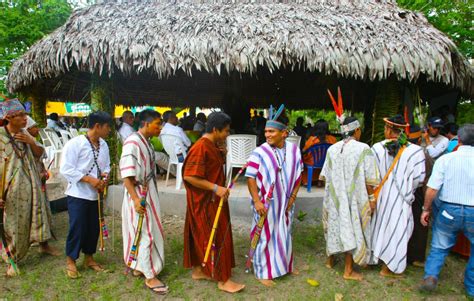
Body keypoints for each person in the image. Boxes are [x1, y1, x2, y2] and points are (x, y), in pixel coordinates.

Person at [182, 112, 245, 293]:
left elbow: (211, 167)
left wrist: (222, 154)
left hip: (209, 199)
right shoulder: (200, 147)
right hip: (206, 201)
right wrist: (216, 188)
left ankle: (199, 270)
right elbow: (190, 176)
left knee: (201, 235)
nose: (227, 134)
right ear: (215, 129)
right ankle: (223, 280)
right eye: (225, 131)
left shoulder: (211, 145)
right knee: (215, 236)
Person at [246, 106, 302, 287]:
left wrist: (293, 197)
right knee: (264, 235)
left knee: (285, 233)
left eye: (271, 131)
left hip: (286, 202)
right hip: (265, 203)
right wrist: (256, 201)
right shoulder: (259, 152)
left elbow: (299, 175)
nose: (267, 135)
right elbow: (251, 178)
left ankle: (286, 265)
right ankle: (262, 271)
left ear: (284, 133)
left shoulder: (294, 150)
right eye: (266, 132)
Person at [0, 99, 58, 277]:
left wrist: (31, 141)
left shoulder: (25, 134)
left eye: (25, 115)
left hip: (32, 184)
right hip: (11, 189)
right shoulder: (1, 137)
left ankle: (43, 245)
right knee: (13, 224)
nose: (26, 119)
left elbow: (40, 153)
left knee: (40, 215)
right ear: (9, 118)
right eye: (21, 115)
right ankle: (12, 259)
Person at [320, 116, 379, 281]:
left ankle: (330, 261)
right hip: (353, 198)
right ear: (357, 130)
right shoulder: (364, 149)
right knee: (351, 226)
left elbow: (324, 176)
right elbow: (370, 179)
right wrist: (372, 199)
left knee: (334, 224)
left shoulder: (332, 149)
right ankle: (348, 270)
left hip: (334, 197)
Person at [419, 124, 474, 296]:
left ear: (458, 139)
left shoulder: (446, 159)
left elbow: (432, 189)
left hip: (448, 211)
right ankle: (472, 287)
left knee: (439, 246)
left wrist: (425, 209)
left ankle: (430, 276)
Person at [370, 115, 426, 277]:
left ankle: (376, 258)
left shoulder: (377, 148)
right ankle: (389, 267)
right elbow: (419, 179)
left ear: (388, 129)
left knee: (378, 227)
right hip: (402, 199)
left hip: (379, 197)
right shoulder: (416, 152)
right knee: (398, 230)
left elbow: (371, 174)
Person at [120, 110, 168, 295]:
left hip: (146, 191)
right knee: (146, 232)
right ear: (146, 124)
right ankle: (150, 275)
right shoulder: (132, 142)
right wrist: (135, 200)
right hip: (139, 193)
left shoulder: (145, 141)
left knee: (141, 231)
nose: (160, 127)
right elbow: (127, 175)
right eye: (157, 123)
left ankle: (138, 266)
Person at [60, 111, 111, 279]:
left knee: (93, 227)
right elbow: (66, 169)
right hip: (78, 194)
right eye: (107, 126)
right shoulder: (75, 144)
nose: (109, 130)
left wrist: (104, 176)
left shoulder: (104, 145)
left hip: (95, 195)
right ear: (97, 126)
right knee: (78, 227)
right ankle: (71, 260)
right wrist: (90, 179)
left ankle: (89, 258)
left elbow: (107, 166)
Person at [406, 125, 433, 268]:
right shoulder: (422, 154)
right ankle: (415, 257)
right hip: (418, 191)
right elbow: (427, 177)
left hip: (402, 192)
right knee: (419, 224)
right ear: (419, 138)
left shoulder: (399, 151)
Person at [302, 120, 337, 186]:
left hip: (312, 162)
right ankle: (320, 181)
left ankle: (307, 181)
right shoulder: (332, 139)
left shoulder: (312, 139)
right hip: (327, 162)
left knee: (304, 160)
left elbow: (304, 150)